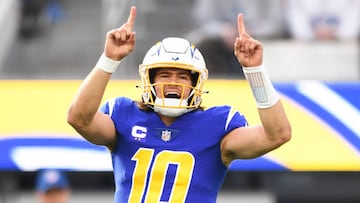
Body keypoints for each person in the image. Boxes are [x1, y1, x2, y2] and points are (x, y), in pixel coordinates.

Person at [67, 6, 291, 203]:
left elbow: (278, 134)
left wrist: (255, 71)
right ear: (150, 81)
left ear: (197, 83)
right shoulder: (124, 115)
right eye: (164, 75)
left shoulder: (216, 126)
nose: (174, 82)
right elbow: (78, 118)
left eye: (183, 77)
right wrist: (109, 59)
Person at [285, 0, 360, 41]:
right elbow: (296, 18)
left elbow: (354, 15)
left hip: (341, 44)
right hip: (309, 45)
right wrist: (311, 34)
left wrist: (337, 34)